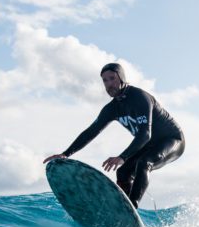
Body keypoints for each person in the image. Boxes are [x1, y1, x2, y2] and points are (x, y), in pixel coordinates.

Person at [43, 63, 185, 208]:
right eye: (105, 80)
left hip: (172, 140)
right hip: (149, 144)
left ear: (122, 78)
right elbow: (91, 132)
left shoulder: (140, 98)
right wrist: (66, 153)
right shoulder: (112, 109)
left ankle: (132, 206)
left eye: (112, 78)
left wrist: (122, 157)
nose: (109, 84)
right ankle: (123, 209)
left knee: (144, 162)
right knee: (123, 172)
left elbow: (145, 134)